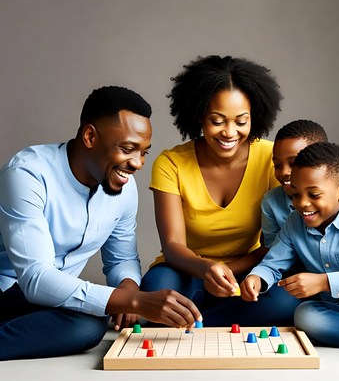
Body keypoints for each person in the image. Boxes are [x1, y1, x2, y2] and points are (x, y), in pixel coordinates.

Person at [0, 86, 201, 361]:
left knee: (90, 322)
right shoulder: (27, 173)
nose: (138, 163)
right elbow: (36, 278)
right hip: (9, 290)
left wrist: (129, 288)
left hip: (49, 296)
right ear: (90, 136)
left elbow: (121, 259)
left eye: (144, 152)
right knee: (90, 324)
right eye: (128, 149)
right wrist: (135, 301)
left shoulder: (124, 188)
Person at [141, 55, 300, 326]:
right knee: (156, 288)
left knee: (288, 301)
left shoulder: (273, 158)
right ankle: (205, 318)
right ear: (198, 116)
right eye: (217, 120)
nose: (229, 132)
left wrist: (227, 270)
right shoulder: (171, 163)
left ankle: (193, 322)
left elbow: (278, 243)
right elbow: (173, 245)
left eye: (241, 121)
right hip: (186, 270)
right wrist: (207, 269)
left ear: (256, 116)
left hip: (250, 271)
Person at [241, 141, 339, 351]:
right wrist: (257, 278)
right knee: (306, 316)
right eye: (296, 194)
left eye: (314, 195)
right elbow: (273, 264)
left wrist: (325, 282)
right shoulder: (294, 222)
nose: (302, 203)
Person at [262, 119, 328, 248]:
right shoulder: (271, 202)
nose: (284, 172)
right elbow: (273, 251)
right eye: (278, 165)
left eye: (294, 164)